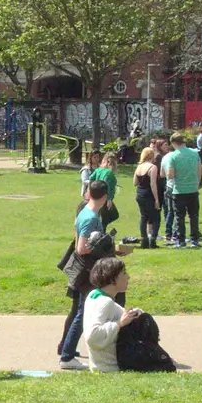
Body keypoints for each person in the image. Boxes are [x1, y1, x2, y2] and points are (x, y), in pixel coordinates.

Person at [59, 180, 112, 369]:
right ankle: (66, 357)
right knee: (82, 313)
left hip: (86, 269)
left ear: (88, 193)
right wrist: (103, 246)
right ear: (105, 197)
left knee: (81, 312)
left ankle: (68, 352)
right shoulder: (90, 218)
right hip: (87, 271)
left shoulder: (85, 212)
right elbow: (81, 248)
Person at [83, 257, 143, 373]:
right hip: (108, 367)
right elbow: (92, 336)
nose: (128, 277)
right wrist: (119, 324)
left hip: (100, 366)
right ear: (112, 279)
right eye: (124, 273)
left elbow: (118, 312)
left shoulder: (94, 295)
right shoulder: (105, 302)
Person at [162, 132, 202, 247]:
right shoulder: (195, 154)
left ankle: (181, 240)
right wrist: (197, 182)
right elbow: (199, 169)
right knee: (193, 215)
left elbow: (170, 175)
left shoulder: (173, 156)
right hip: (193, 188)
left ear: (173, 143)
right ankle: (194, 239)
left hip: (179, 190)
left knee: (180, 216)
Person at [132, 147, 163, 249]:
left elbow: (135, 183)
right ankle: (152, 240)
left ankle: (144, 240)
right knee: (156, 217)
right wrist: (157, 199)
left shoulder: (139, 167)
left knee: (143, 217)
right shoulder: (152, 167)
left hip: (140, 194)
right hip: (149, 195)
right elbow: (153, 184)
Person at [89, 151, 120, 232]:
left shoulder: (99, 169)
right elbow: (107, 185)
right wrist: (109, 199)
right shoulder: (109, 173)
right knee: (113, 215)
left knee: (103, 216)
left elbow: (91, 178)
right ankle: (100, 231)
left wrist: (90, 189)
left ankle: (99, 229)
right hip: (104, 197)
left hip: (96, 195)